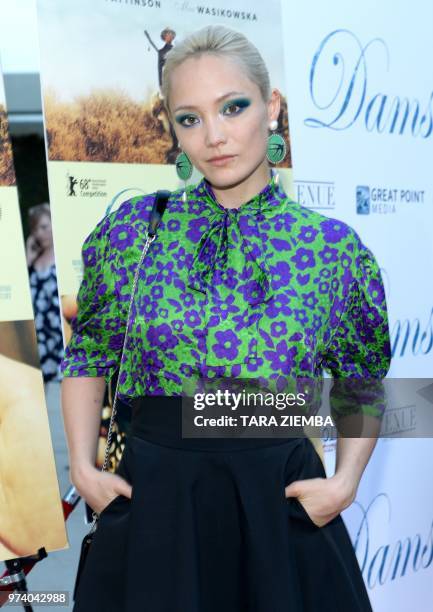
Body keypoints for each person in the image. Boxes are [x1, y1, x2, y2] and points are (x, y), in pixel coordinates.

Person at [61, 25, 391, 611]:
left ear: (272, 107)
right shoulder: (136, 232)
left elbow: (360, 376)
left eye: (232, 107)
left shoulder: (330, 248)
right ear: (173, 129)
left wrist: (344, 483)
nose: (214, 136)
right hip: (158, 498)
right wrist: (84, 469)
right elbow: (89, 351)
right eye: (190, 118)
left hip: (278, 502)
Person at [26, 203, 63, 384]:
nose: (40, 233)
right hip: (39, 338)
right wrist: (28, 258)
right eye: (36, 229)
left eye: (44, 227)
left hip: (59, 338)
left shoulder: (63, 256)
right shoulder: (33, 260)